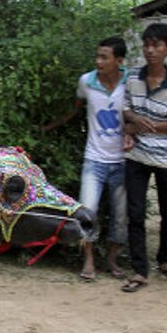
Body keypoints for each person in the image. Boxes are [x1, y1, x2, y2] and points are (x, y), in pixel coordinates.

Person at [42, 36, 133, 281]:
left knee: (121, 215)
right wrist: (53, 125)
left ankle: (112, 259)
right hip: (94, 159)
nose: (98, 61)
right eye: (97, 56)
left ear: (119, 60)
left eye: (105, 57)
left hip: (124, 161)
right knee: (86, 212)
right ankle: (89, 260)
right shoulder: (87, 81)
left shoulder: (132, 81)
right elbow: (76, 108)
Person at [121, 23, 167, 292]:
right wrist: (133, 119)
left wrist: (137, 124)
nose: (150, 50)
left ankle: (165, 259)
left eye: (157, 45)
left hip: (165, 159)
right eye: (147, 44)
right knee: (135, 214)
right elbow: (126, 109)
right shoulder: (133, 78)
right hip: (136, 156)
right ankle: (140, 270)